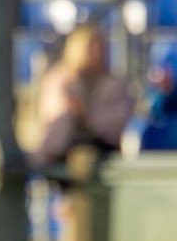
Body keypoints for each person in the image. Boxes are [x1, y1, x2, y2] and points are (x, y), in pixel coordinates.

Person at [34, 24, 133, 168]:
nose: (95, 54)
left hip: (104, 148)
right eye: (90, 48)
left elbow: (118, 122)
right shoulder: (59, 80)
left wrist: (87, 117)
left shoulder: (115, 85)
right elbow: (53, 119)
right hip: (61, 149)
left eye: (99, 49)